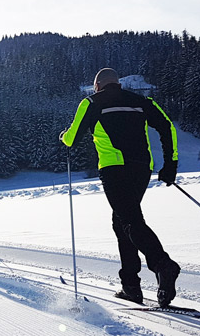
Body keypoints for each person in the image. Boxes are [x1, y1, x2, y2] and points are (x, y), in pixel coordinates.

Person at [60, 68, 181, 307]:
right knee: (123, 222)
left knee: (129, 221)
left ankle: (163, 265)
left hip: (115, 169)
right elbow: (167, 127)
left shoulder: (91, 102)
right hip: (142, 169)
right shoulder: (141, 101)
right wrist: (170, 164)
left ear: (97, 85)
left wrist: (63, 135)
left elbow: (72, 139)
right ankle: (131, 286)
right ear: (117, 83)